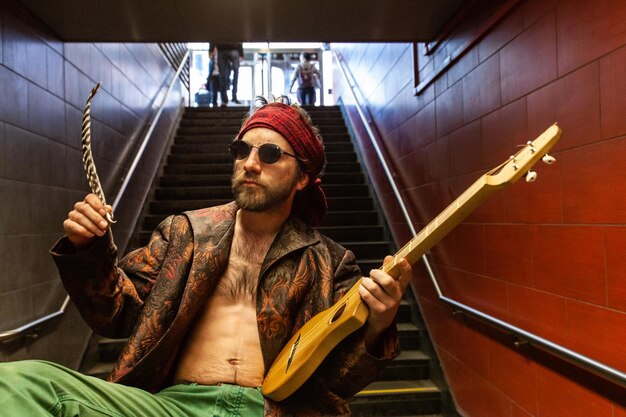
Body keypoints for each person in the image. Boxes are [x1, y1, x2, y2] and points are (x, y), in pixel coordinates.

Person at [0, 97, 412, 416]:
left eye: (269, 155)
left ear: (303, 176)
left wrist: (378, 323)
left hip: (275, 410)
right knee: (20, 384)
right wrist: (88, 249)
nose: (250, 164)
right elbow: (116, 313)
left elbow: (339, 380)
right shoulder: (185, 233)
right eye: (241, 150)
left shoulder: (330, 263)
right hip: (171, 405)